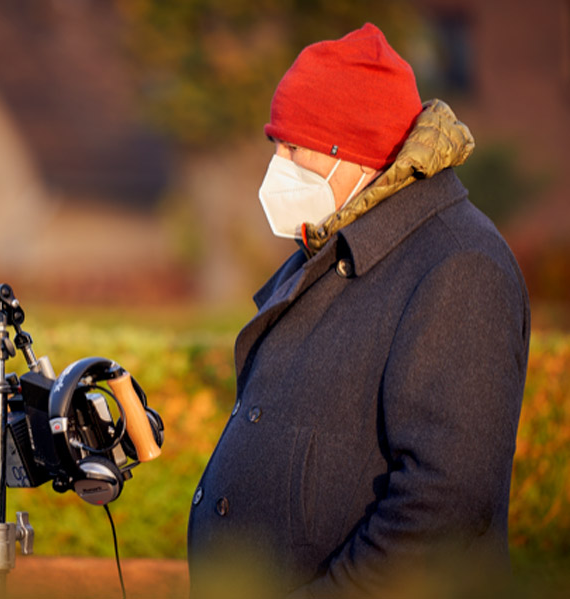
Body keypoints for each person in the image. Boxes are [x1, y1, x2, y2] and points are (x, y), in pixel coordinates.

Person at [187, 23, 530, 598]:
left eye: (294, 148)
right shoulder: (339, 238)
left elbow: (444, 506)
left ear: (357, 153)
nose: (279, 166)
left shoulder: (461, 266)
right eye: (277, 144)